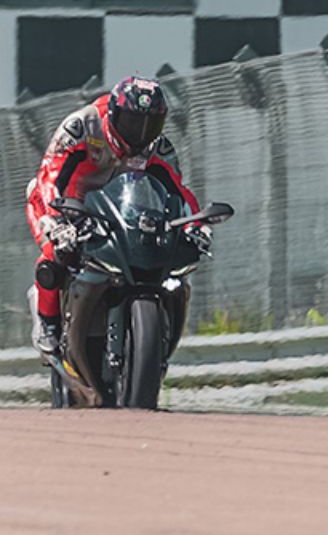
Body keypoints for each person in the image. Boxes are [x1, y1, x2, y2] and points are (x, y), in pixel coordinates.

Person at [24, 75, 202, 355]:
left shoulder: (158, 147)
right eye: (132, 123)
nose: (140, 134)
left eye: (149, 125)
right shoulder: (82, 126)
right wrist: (56, 219)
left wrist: (196, 225)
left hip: (118, 206)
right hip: (66, 199)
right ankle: (48, 322)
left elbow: (178, 191)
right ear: (113, 114)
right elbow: (51, 176)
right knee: (55, 251)